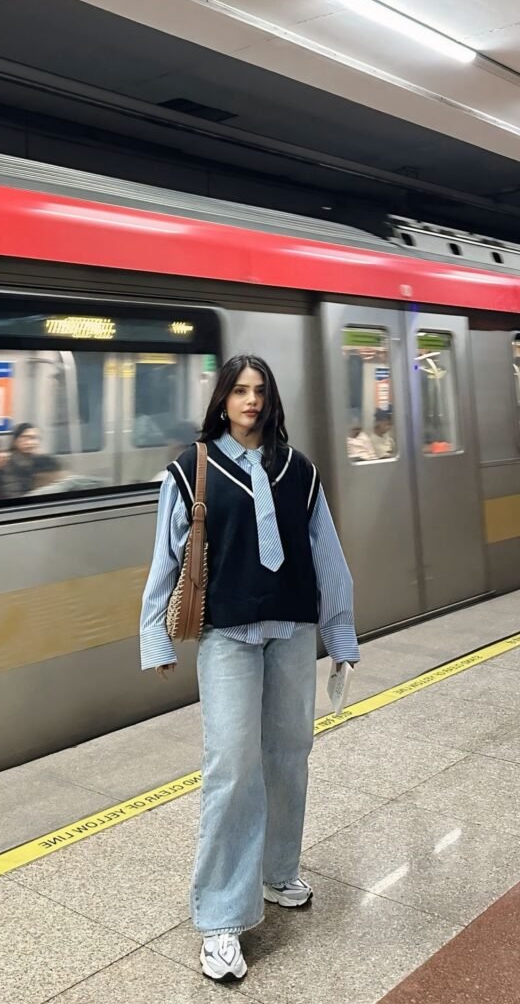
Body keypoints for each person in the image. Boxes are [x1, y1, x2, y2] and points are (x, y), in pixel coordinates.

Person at [140, 354, 359, 983]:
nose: (251, 400)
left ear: (271, 399)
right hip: (225, 635)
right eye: (240, 390)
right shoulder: (191, 469)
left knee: (290, 752)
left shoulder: (300, 471)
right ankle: (219, 920)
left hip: (291, 630)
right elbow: (166, 556)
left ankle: (276, 870)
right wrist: (155, 636)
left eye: (260, 390)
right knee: (232, 767)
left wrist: (341, 635)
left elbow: (327, 556)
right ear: (223, 398)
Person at [0, 423, 40, 499]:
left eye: (33, 438)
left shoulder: (38, 461)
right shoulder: (7, 463)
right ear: (15, 440)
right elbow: (11, 493)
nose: (30, 442)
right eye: (25, 437)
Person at [25, 455, 104, 495]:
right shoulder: (82, 480)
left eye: (34, 480)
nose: (34, 485)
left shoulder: (67, 484)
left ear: (40, 476)